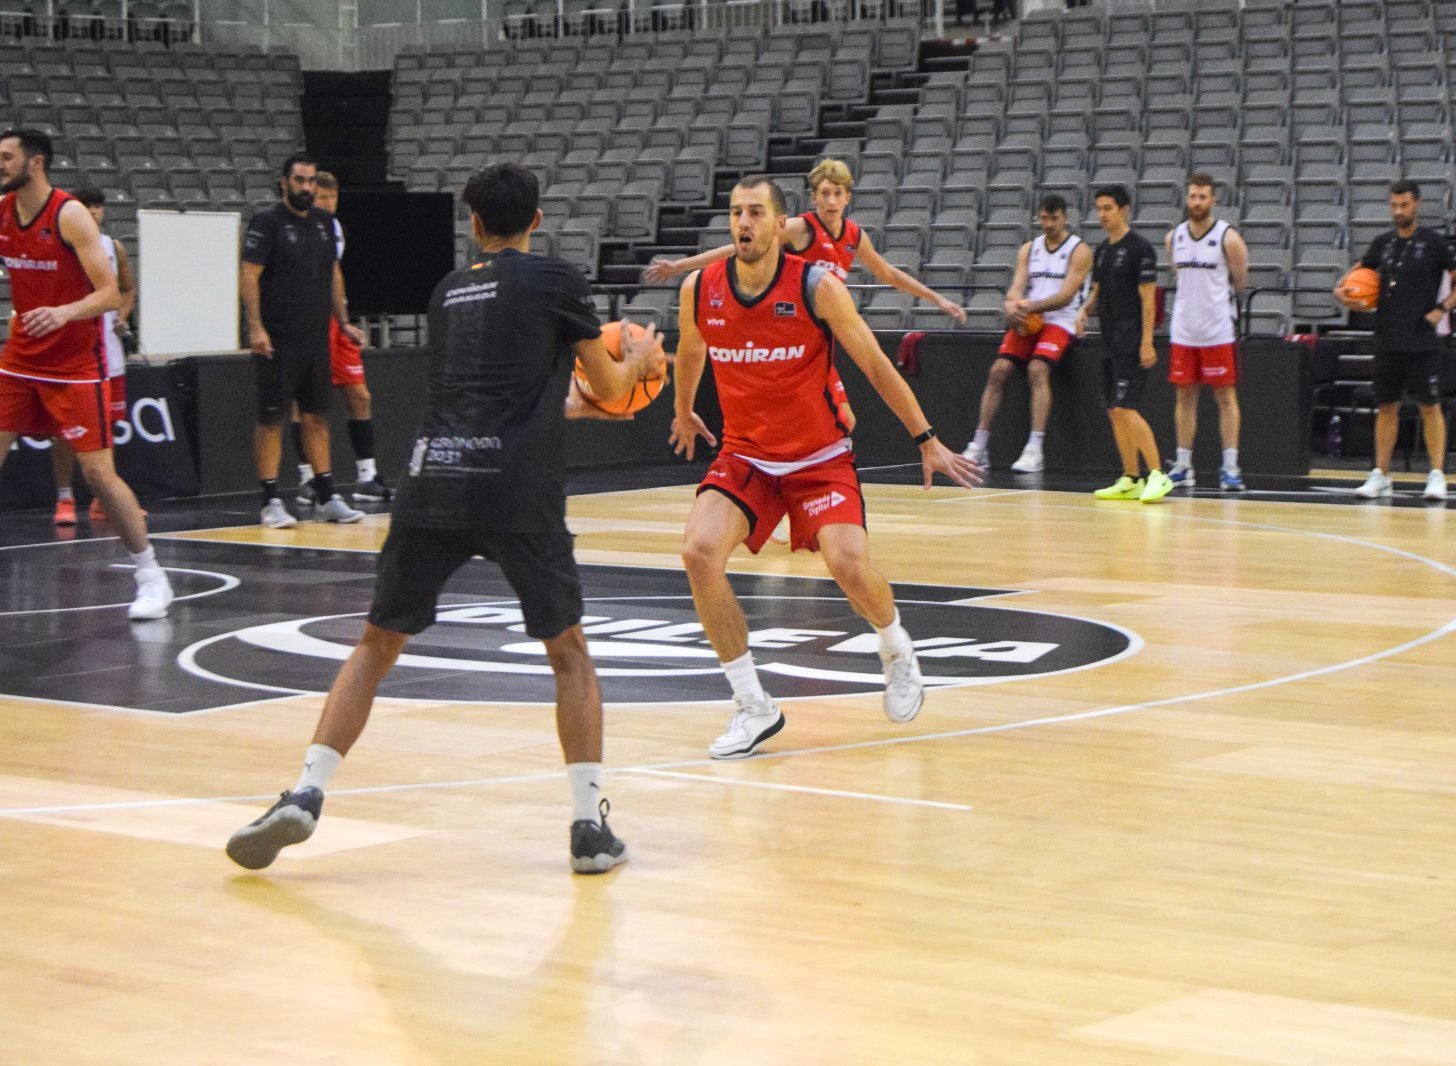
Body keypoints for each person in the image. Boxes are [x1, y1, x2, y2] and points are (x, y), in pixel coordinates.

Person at [225, 163, 664, 875]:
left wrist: (574, 401)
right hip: (516, 487)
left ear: (475, 225)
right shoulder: (556, 281)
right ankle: (588, 828)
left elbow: (501, 394)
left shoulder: (448, 292)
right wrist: (640, 360)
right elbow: (612, 386)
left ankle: (306, 790)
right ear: (538, 221)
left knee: (375, 645)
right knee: (570, 654)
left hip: (434, 478)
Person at [669, 175, 982, 760]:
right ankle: (753, 706)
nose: (743, 223)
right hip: (746, 457)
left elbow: (875, 364)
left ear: (780, 225)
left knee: (848, 566)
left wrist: (927, 438)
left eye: (755, 212)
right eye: (736, 212)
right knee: (698, 552)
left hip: (817, 458)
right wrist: (684, 409)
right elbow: (691, 348)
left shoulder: (815, 287)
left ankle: (896, 649)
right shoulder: (700, 288)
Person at [646, 157, 969, 433]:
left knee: (843, 419)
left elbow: (888, 274)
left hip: (819, 338)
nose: (830, 200)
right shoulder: (801, 227)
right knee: (834, 417)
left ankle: (809, 472)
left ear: (847, 198)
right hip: (785, 328)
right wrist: (680, 266)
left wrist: (937, 299)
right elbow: (740, 245)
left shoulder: (855, 235)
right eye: (824, 193)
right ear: (813, 198)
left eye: (837, 193)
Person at [0, 128, 172, 618]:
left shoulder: (70, 215)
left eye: (6, 157)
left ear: (35, 163)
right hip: (20, 358)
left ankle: (151, 575)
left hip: (75, 364)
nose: (0, 164)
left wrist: (61, 312)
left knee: (98, 474)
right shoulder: (4, 212)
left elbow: (112, 294)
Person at [241, 153, 365, 528]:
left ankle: (327, 495)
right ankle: (270, 501)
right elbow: (249, 276)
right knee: (273, 417)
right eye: (300, 181)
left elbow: (334, 273)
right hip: (277, 338)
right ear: (284, 183)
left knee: (316, 416)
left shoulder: (326, 223)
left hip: (315, 336)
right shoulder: (267, 222)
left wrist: (343, 321)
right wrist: (256, 327)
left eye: (312, 181)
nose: (307, 188)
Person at [1335, 179, 1456, 501]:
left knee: (1430, 406)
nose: (1398, 211)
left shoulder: (1434, 243)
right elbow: (1357, 273)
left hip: (1422, 338)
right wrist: (1342, 291)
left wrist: (1443, 308)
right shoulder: (1383, 243)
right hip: (1388, 336)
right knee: (1386, 405)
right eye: (1393, 205)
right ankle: (1381, 474)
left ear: (1416, 204)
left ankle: (1436, 475)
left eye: (1403, 205)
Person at [963, 193, 1092, 473]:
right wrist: (1010, 307)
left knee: (1037, 369)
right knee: (998, 370)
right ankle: (979, 445)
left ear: (1065, 217)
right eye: (1044, 218)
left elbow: (1066, 296)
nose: (1048, 224)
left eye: (1054, 218)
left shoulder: (1079, 250)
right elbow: (1016, 287)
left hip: (1061, 319)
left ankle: (1035, 448)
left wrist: (1029, 307)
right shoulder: (1029, 249)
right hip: (1030, 320)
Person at [292, 171, 392, 507]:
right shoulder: (297, 227)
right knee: (302, 401)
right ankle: (307, 479)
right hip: (307, 319)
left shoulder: (332, 228)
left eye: (333, 199)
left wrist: (344, 319)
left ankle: (366, 477)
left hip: (336, 319)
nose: (328, 204)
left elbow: (334, 273)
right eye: (322, 198)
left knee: (359, 394)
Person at [1077, 185, 1173, 504]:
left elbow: (1148, 302)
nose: (1102, 215)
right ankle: (1131, 477)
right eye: (1099, 209)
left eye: (1108, 208)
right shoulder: (1102, 250)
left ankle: (1158, 474)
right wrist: (1083, 310)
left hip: (1132, 340)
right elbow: (1097, 292)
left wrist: (1147, 342)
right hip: (1109, 339)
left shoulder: (1141, 249)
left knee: (1126, 408)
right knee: (1114, 412)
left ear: (1124, 210)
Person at [49, 184, 137, 525]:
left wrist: (123, 316)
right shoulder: (62, 244)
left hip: (107, 352)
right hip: (69, 353)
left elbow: (127, 289)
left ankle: (103, 500)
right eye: (88, 206)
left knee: (106, 428)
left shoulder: (113, 247)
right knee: (62, 431)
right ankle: (64, 497)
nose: (94, 212)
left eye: (99, 206)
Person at [1165, 173, 1249, 491]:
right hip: (1184, 330)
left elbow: (1240, 281)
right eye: (1192, 196)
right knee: (1184, 398)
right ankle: (1184, 465)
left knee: (1225, 398)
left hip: (1217, 330)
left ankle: (1230, 467)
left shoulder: (1228, 237)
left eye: (1202, 197)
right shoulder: (1174, 238)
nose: (1197, 202)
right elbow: (1178, 274)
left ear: (1213, 200)